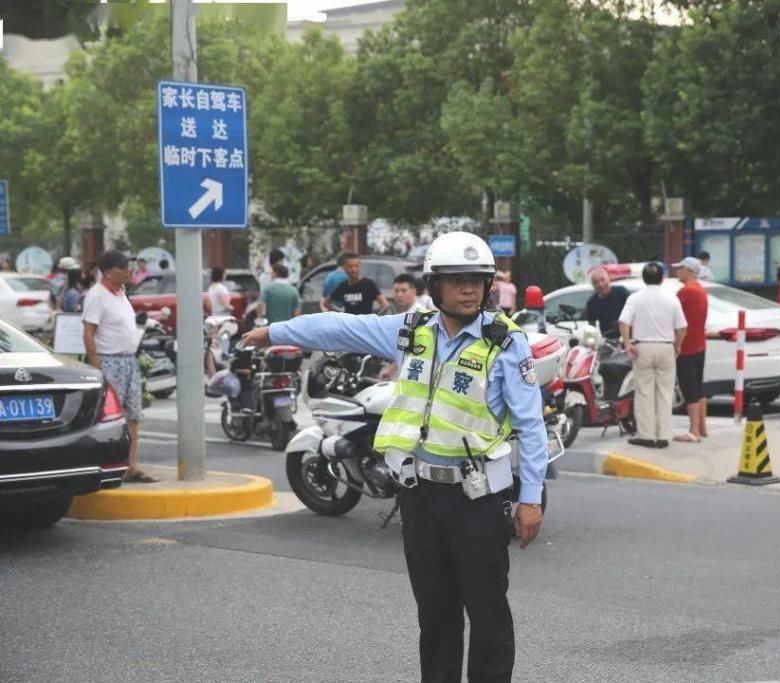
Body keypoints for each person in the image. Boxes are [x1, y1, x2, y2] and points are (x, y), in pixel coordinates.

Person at [240, 231, 547, 683]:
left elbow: (531, 426)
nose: (468, 289)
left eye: (477, 280)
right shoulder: (412, 329)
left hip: (478, 499)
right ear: (435, 285)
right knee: (435, 614)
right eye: (457, 279)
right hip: (421, 495)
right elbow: (342, 327)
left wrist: (532, 497)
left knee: (488, 615)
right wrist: (275, 332)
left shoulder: (506, 343)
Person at [82, 250, 157, 484]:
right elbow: (88, 334)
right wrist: (97, 369)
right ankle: (108, 466)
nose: (129, 271)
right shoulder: (97, 295)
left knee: (132, 414)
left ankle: (131, 466)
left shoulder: (122, 292)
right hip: (108, 361)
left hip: (128, 361)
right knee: (110, 417)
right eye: (123, 267)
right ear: (108, 271)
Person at [619, 263, 685, 449]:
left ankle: (647, 435)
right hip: (666, 347)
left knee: (644, 392)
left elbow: (624, 321)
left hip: (643, 347)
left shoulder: (635, 298)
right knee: (665, 392)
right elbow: (682, 327)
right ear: (662, 278)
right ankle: (664, 435)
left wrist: (627, 343)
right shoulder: (671, 298)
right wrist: (677, 345)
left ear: (644, 278)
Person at [672, 257, 709, 444]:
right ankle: (702, 426)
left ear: (689, 271)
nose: (678, 271)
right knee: (698, 386)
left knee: (688, 388)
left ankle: (693, 430)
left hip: (686, 346)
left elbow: (675, 319)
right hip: (700, 344)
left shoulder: (685, 292)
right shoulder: (702, 291)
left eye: (680, 268)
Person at [584, 266, 630, 336]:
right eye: (596, 282)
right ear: (592, 285)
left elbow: (634, 312)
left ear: (609, 279)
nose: (600, 284)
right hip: (608, 339)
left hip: (628, 335)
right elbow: (592, 326)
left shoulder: (621, 292)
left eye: (603, 280)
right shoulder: (592, 303)